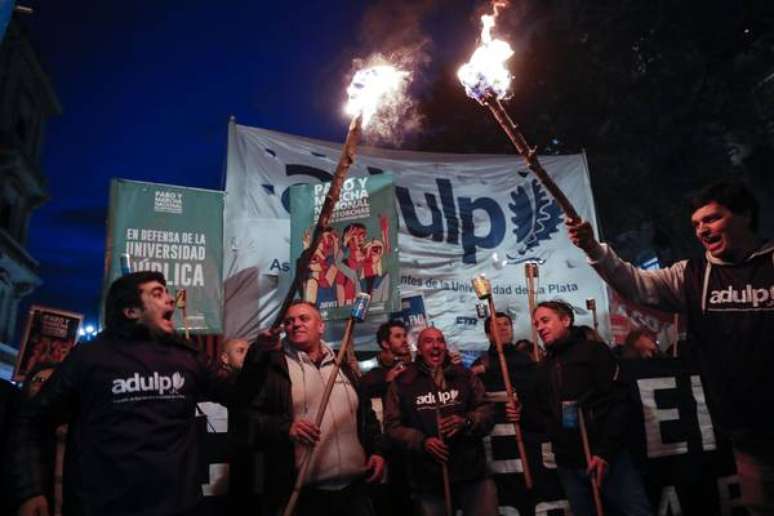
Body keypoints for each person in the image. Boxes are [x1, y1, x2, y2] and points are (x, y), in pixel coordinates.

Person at [566, 178, 774, 514]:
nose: (702, 230)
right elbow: (634, 283)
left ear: (745, 215)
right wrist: (593, 248)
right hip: (746, 437)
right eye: (696, 224)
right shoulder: (691, 275)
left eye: (712, 218)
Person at [10, 271, 235, 516]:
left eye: (167, 292)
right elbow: (32, 421)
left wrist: (260, 355)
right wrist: (30, 490)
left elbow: (238, 393)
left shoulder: (186, 356)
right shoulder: (89, 357)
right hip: (103, 506)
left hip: (177, 506)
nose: (170, 300)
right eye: (157, 294)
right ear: (131, 312)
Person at [232, 300, 385, 516]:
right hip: (303, 494)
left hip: (355, 492)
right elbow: (246, 415)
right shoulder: (274, 367)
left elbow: (366, 416)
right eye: (289, 321)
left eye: (304, 318)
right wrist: (286, 428)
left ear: (321, 326)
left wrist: (376, 452)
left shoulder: (344, 365)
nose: (296, 324)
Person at [532, 301, 652, 516]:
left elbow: (620, 401)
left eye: (545, 320)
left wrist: (605, 451)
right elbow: (543, 415)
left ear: (566, 320)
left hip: (606, 458)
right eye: (536, 324)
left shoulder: (594, 352)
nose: (539, 327)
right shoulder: (544, 366)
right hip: (569, 463)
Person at [384, 327, 498, 516]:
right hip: (428, 479)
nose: (435, 345)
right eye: (428, 341)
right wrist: (422, 441)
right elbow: (391, 427)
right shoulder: (403, 382)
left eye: (440, 341)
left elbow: (487, 410)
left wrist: (466, 421)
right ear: (419, 349)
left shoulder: (465, 376)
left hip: (472, 474)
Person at [474, 312, 538, 430]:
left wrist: (522, 405)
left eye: (506, 324)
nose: (503, 328)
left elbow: (537, 394)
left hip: (528, 431)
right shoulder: (480, 364)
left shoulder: (526, 360)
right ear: (488, 334)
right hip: (495, 435)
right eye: (497, 325)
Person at [361, 320, 412, 399]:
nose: (404, 340)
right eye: (398, 336)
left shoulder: (414, 367)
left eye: (405, 336)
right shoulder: (374, 373)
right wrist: (387, 382)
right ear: (385, 344)